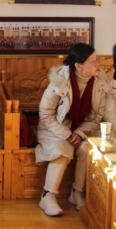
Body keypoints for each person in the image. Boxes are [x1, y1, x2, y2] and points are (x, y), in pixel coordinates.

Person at [37, 43, 110, 217]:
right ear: (79, 66)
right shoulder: (59, 81)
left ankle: (77, 192)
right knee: (62, 148)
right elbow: (46, 115)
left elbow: (96, 117)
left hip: (81, 129)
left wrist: (79, 133)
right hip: (54, 129)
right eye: (92, 61)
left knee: (86, 148)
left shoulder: (99, 82)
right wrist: (67, 134)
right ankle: (48, 196)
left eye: (97, 60)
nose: (97, 64)